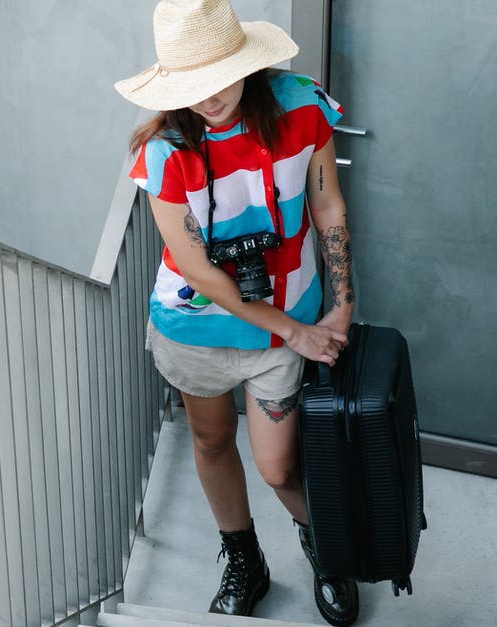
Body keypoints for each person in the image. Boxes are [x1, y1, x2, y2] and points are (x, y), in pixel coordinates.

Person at [114, 0, 359, 624]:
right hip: (199, 327)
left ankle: (325, 545)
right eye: (189, 86)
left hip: (289, 321)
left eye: (215, 79)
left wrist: (343, 304)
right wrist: (293, 331)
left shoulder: (302, 108)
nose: (205, 100)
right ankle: (244, 556)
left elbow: (328, 208)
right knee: (211, 438)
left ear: (245, 62)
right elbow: (196, 269)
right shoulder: (165, 148)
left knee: (279, 466)